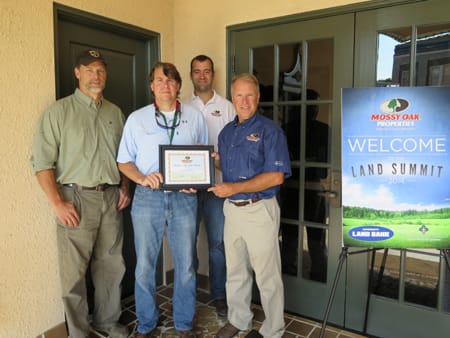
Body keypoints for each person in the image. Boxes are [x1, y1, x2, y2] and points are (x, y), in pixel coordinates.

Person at [31, 49, 131, 338]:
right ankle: (78, 331)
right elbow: (41, 163)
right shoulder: (57, 112)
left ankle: (107, 322)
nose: (96, 75)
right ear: (77, 73)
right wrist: (57, 202)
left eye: (100, 70)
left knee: (111, 265)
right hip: (75, 199)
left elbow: (125, 157)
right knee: (74, 274)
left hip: (111, 198)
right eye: (89, 70)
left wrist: (125, 187)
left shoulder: (115, 112)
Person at [116, 62, 208, 338]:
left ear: (179, 85)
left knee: (187, 264)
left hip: (184, 200)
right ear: (151, 86)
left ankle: (183, 322)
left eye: (170, 80)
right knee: (145, 265)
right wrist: (142, 179)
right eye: (159, 80)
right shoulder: (137, 119)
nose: (165, 85)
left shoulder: (194, 117)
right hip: (147, 198)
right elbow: (124, 161)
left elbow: (203, 155)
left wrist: (196, 182)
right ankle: (146, 323)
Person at [209, 73, 291, 338]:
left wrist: (233, 188)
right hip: (232, 211)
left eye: (250, 95)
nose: (244, 101)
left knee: (267, 276)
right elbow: (231, 167)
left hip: (259, 209)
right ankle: (239, 319)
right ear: (232, 98)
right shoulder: (226, 132)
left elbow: (275, 176)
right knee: (235, 270)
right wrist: (211, 162)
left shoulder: (271, 131)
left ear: (258, 97)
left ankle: (273, 330)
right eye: (239, 95)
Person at [187, 54, 236, 317]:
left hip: (218, 188)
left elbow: (234, 146)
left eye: (207, 71)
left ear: (213, 74)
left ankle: (219, 295)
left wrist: (221, 161)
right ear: (191, 75)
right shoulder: (182, 105)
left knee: (217, 244)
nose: (202, 75)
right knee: (188, 241)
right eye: (197, 71)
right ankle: (189, 295)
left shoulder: (227, 107)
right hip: (189, 189)